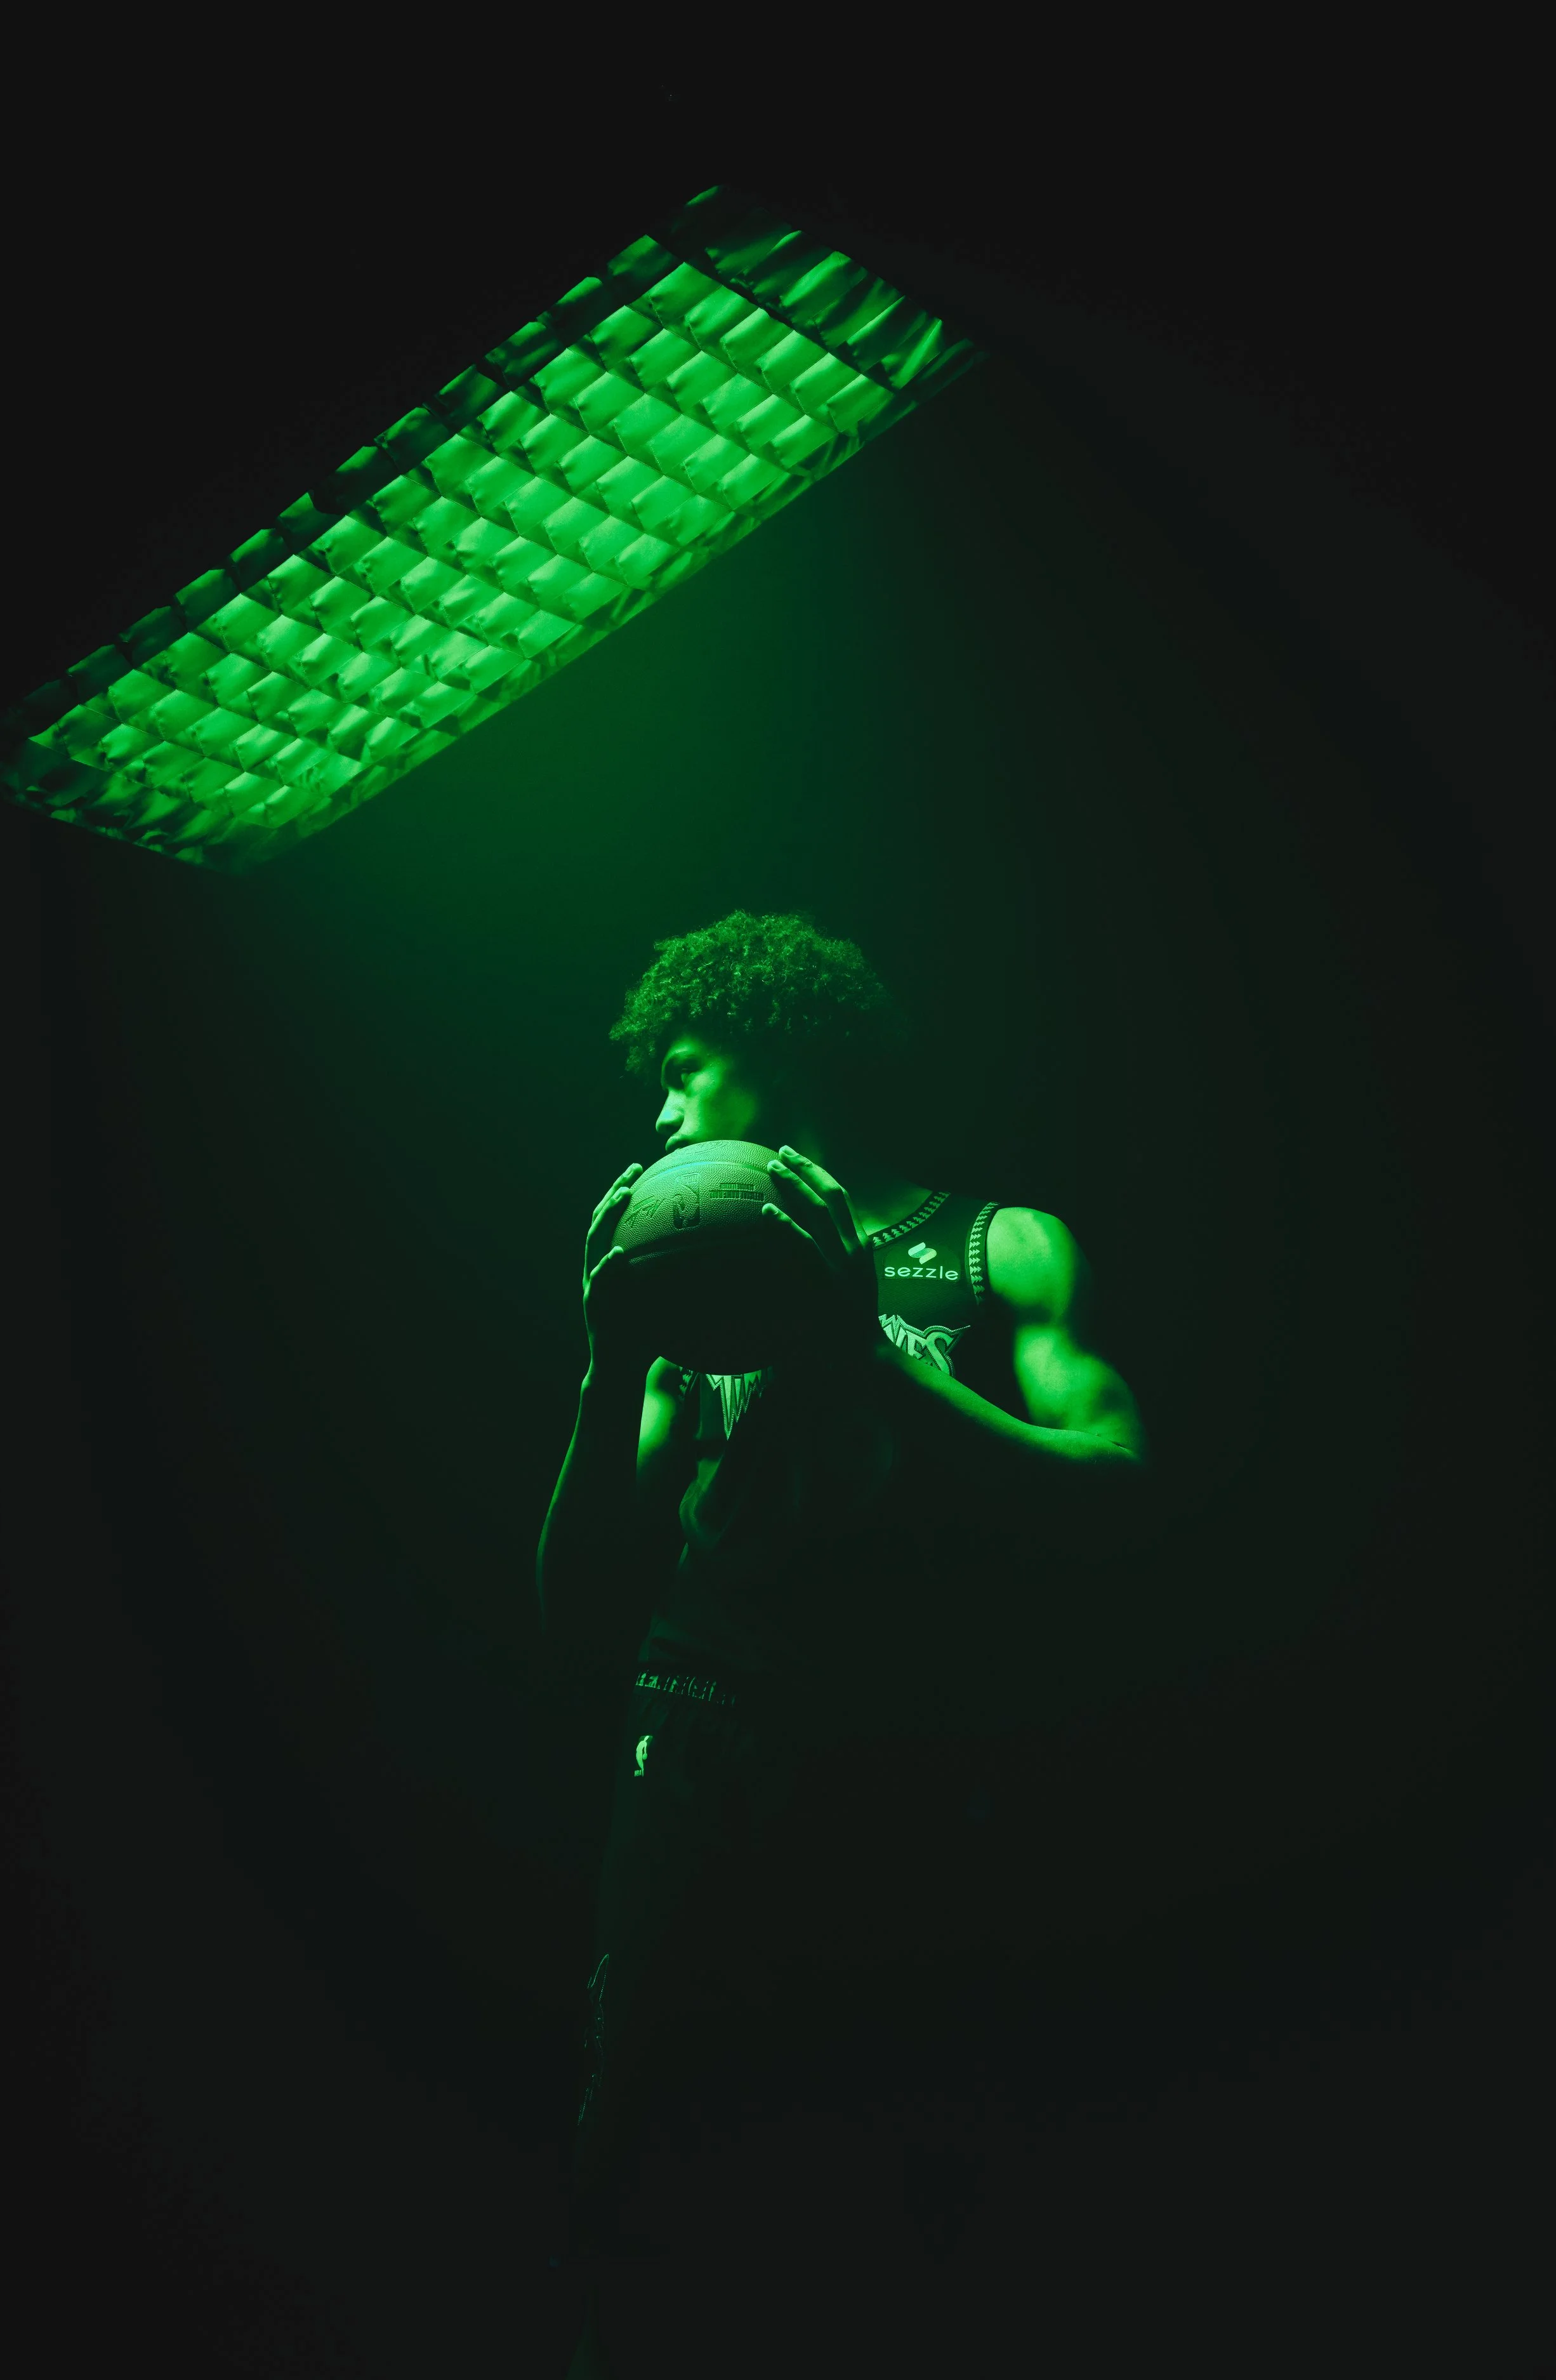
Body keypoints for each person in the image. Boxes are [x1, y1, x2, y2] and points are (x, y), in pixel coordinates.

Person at [537, 909, 1149, 2374]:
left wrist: (860, 1352)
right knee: (637, 2165)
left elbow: (1115, 1485)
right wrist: (605, 1362)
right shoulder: (689, 1305)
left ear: (778, 1060)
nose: (662, 1111)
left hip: (912, 1755)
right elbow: (575, 1599)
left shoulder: (996, 1247)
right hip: (698, 1739)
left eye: (685, 1071)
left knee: (898, 2167)